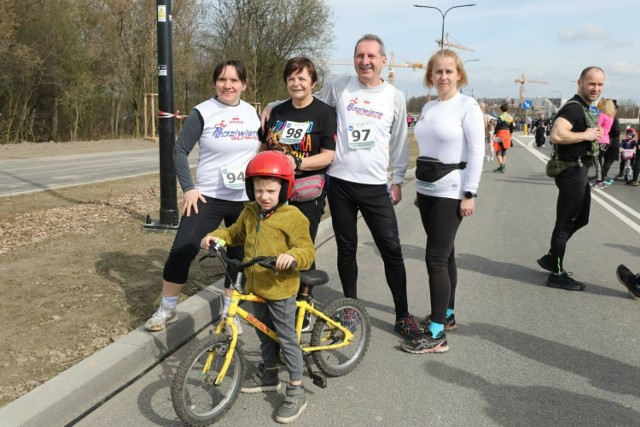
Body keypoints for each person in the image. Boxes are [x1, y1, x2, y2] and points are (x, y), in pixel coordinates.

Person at [263, 34, 419, 339]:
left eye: (372, 56)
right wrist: (271, 105)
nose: (365, 61)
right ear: (354, 59)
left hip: (376, 186)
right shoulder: (340, 86)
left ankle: (403, 314)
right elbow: (307, 98)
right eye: (360, 55)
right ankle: (350, 308)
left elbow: (399, 141)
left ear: (383, 61)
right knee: (346, 250)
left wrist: (398, 179)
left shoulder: (394, 97)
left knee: (392, 251)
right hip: (341, 184)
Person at [144, 60, 260, 332]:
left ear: (244, 84)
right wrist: (189, 188)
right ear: (215, 83)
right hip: (207, 195)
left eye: (234, 80)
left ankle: (229, 313)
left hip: (244, 197)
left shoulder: (253, 113)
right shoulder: (203, 112)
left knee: (238, 255)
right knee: (182, 248)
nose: (227, 85)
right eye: (222, 80)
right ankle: (167, 308)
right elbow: (179, 150)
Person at [201, 151, 315, 424]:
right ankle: (270, 374)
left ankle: (297, 390)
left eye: (271, 190)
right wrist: (215, 237)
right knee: (264, 334)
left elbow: (306, 250)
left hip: (280, 287)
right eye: (258, 189)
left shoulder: (293, 216)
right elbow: (235, 234)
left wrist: (292, 257)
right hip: (256, 286)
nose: (264, 195)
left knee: (286, 338)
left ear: (284, 189)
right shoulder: (251, 211)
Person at [400, 49, 484, 354]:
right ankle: (446, 315)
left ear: (459, 74)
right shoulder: (429, 107)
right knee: (445, 254)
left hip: (452, 190)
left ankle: (436, 333)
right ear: (430, 76)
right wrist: (420, 192)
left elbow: (476, 151)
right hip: (427, 189)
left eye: (449, 71)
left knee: (434, 258)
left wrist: (470, 193)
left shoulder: (467, 106)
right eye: (438, 71)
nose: (443, 76)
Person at [536, 66, 605, 291]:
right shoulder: (574, 108)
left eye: (599, 84)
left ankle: (551, 256)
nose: (595, 88)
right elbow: (556, 134)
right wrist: (585, 135)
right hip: (571, 173)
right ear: (580, 83)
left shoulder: (584, 108)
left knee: (582, 218)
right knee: (564, 225)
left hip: (579, 172)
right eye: (591, 83)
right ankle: (556, 272)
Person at [593, 98, 616, 188]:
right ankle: (602, 180)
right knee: (599, 161)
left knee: (597, 161)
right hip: (606, 141)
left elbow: (596, 126)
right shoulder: (611, 117)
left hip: (599, 140)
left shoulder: (602, 115)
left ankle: (600, 181)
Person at [601, 99, 620, 183]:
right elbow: (616, 132)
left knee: (606, 160)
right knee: (609, 160)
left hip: (607, 141)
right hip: (612, 142)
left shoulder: (607, 116)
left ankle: (603, 176)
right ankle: (603, 176)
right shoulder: (613, 118)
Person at [492, 103, 514, 173]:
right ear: (507, 109)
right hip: (507, 134)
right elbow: (511, 128)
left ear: (501, 110)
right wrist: (511, 135)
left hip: (500, 135)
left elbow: (497, 127)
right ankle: (502, 167)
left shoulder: (500, 117)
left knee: (498, 151)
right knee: (504, 151)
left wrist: (494, 134)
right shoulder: (510, 117)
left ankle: (502, 166)